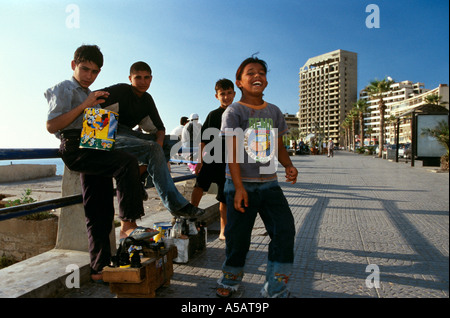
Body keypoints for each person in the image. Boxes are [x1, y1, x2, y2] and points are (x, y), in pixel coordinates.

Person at [44, 45, 157, 282]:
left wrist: (106, 120)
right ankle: (128, 223)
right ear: (74, 65)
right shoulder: (63, 88)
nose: (89, 76)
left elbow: (97, 129)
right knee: (126, 163)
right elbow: (52, 125)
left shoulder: (93, 94)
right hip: (75, 148)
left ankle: (99, 268)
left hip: (94, 146)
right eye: (85, 69)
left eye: (95, 72)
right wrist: (86, 105)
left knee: (100, 210)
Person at [216, 56, 298, 298]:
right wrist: (239, 187)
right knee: (237, 238)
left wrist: (288, 165)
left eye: (261, 72)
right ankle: (230, 280)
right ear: (239, 82)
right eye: (250, 73)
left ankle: (275, 288)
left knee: (285, 230)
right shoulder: (234, 111)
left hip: (269, 184)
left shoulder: (274, 111)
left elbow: (279, 145)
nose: (257, 76)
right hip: (240, 186)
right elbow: (231, 150)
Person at [100, 62, 205, 218]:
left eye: (146, 77)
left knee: (174, 142)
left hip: (130, 134)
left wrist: (160, 144)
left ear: (151, 79)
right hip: (109, 133)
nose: (143, 81)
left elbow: (160, 129)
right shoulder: (121, 90)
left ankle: (138, 176)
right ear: (130, 78)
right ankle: (176, 205)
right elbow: (91, 97)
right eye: (138, 78)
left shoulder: (147, 99)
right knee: (154, 148)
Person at [191, 79, 236, 240]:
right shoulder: (213, 115)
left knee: (225, 197)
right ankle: (191, 217)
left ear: (234, 94)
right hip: (211, 158)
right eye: (222, 94)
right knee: (199, 186)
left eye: (229, 93)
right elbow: (203, 140)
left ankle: (223, 230)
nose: (226, 97)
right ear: (216, 96)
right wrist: (199, 160)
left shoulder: (238, 114)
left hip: (229, 163)